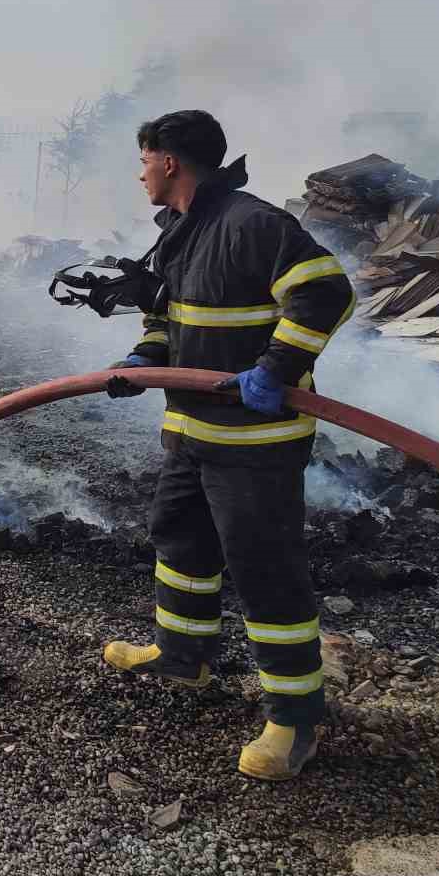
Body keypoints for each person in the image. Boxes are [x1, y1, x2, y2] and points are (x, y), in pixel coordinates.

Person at [102, 110, 353, 781]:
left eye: (145, 159)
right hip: (191, 433)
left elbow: (325, 291)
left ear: (172, 162)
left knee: (264, 571)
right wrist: (141, 358)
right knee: (180, 541)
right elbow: (170, 322)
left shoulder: (250, 223)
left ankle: (295, 721)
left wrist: (274, 371)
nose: (142, 173)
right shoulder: (181, 232)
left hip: (255, 442)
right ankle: (183, 658)